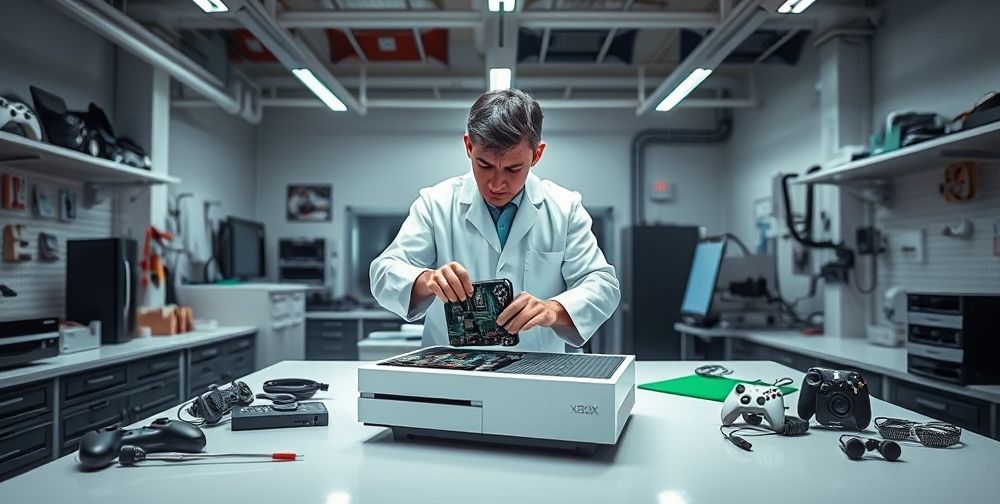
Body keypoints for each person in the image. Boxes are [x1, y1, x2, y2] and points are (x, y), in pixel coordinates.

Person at [370, 89, 620, 352]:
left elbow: (602, 285)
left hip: (538, 376)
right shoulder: (436, 203)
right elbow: (383, 273)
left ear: (536, 155)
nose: (497, 184)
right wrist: (427, 280)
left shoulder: (564, 208)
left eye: (513, 169)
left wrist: (553, 309)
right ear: (468, 146)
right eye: (484, 165)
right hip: (453, 374)